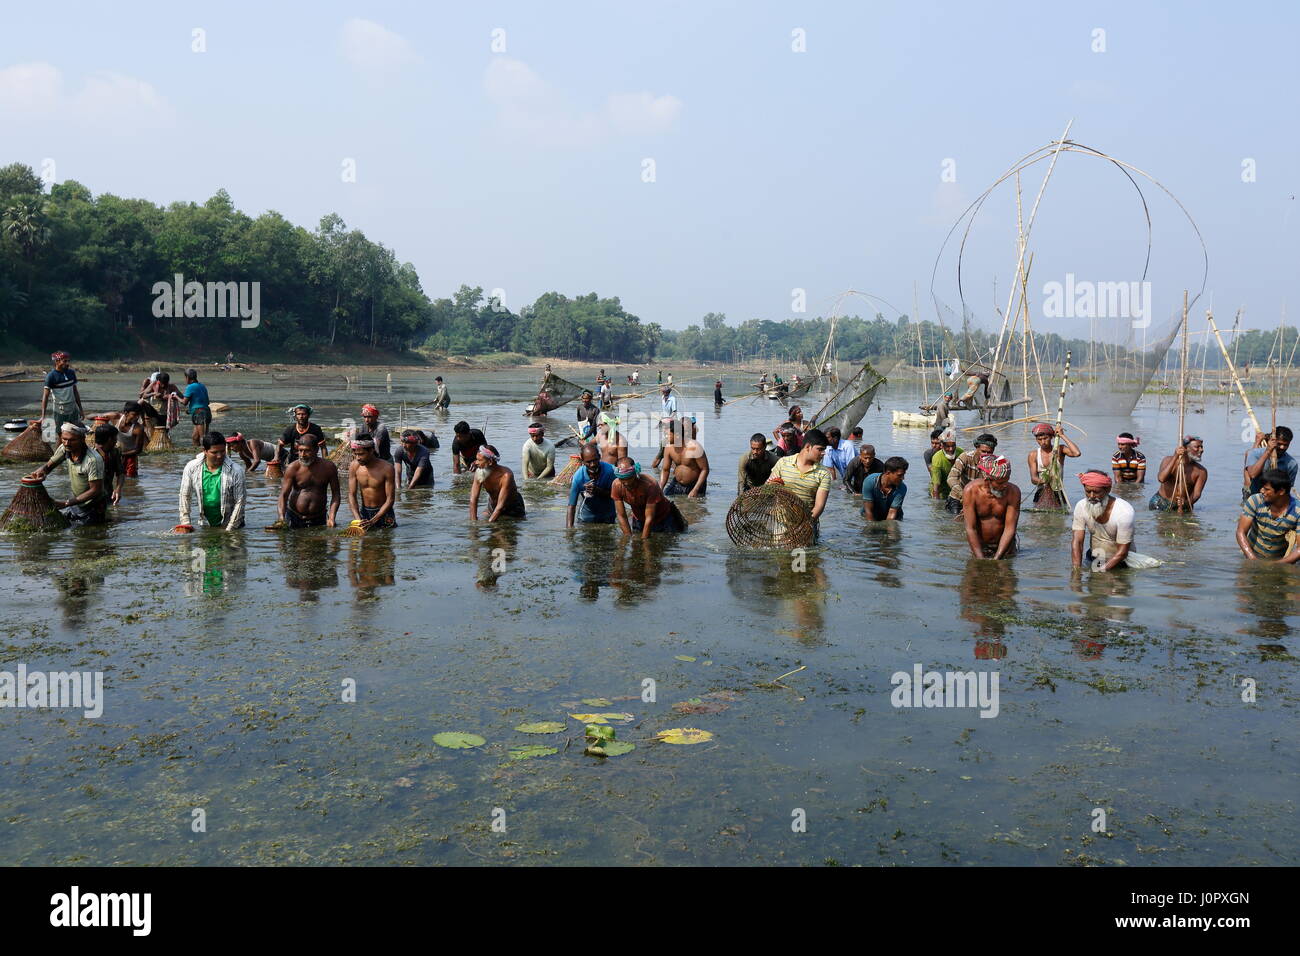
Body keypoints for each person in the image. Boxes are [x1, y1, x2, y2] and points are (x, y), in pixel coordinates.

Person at [1071, 471, 1160, 571]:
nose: (1091, 496)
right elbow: (1077, 541)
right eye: (1087, 491)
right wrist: (1076, 571)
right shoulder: (1081, 506)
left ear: (1108, 490)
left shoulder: (1124, 511)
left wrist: (1101, 571)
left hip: (1122, 562)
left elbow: (1122, 552)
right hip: (1094, 557)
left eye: (1096, 492)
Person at [25, 423, 107, 525]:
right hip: (76, 501)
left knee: (88, 537)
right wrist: (41, 472)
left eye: (72, 440)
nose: (67, 443)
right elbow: (49, 466)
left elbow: (95, 490)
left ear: (82, 439)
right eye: (64, 439)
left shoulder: (93, 460)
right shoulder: (65, 448)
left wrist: (65, 503)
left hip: (92, 507)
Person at [178, 430, 247, 530]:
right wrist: (185, 524)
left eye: (223, 451)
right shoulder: (192, 468)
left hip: (232, 524)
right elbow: (185, 495)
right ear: (205, 451)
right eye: (214, 452)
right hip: (206, 524)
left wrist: (230, 530)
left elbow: (240, 502)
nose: (219, 456)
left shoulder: (236, 471)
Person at [767, 428, 832, 532]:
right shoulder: (783, 463)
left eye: (824, 450)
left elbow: (819, 506)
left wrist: (804, 525)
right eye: (820, 449)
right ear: (807, 447)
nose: (823, 453)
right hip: (781, 523)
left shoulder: (823, 474)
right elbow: (768, 488)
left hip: (807, 524)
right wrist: (772, 485)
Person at [962, 454, 1020, 558]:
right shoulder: (970, 491)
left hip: (1006, 548)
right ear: (987, 480)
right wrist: (980, 559)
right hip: (980, 547)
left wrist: (997, 558)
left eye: (1007, 480)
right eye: (1000, 482)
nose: (1005, 485)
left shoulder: (1013, 492)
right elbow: (971, 529)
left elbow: (1010, 529)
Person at [1236, 468, 1300, 562]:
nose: (1262, 491)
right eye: (1262, 487)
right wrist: (1253, 559)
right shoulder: (1255, 501)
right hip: (1250, 554)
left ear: (1281, 491)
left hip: (1279, 559)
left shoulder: (1297, 511)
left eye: (1266, 489)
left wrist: (1276, 565)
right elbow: (1240, 532)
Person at [613, 457, 686, 537]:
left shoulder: (649, 485)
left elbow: (649, 518)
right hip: (639, 519)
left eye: (629, 478)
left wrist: (644, 541)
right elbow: (621, 515)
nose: (626, 483)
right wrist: (628, 538)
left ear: (636, 474)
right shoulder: (617, 485)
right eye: (622, 479)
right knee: (636, 544)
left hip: (663, 518)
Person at [278, 435, 340, 528]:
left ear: (316, 450)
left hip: (319, 518)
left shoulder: (329, 468)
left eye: (307, 451)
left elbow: (336, 495)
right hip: (294, 517)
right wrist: (282, 518)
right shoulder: (293, 468)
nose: (302, 455)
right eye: (300, 451)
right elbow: (283, 495)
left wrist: (331, 518)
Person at [347, 436, 397, 529]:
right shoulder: (354, 466)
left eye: (361, 454)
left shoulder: (387, 468)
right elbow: (351, 495)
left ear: (371, 451)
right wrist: (358, 519)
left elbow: (390, 499)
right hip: (364, 512)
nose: (358, 458)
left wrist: (373, 521)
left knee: (385, 540)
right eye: (355, 454)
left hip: (384, 513)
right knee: (365, 542)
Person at [1028, 422, 1080, 508]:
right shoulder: (1033, 455)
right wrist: (1045, 480)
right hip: (1041, 492)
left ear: (1052, 437)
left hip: (1058, 493)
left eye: (1045, 438)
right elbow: (1033, 479)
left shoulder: (1060, 449)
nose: (1043, 442)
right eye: (1039, 439)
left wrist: (1062, 436)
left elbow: (1077, 453)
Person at [566, 443, 618, 526]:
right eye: (588, 462)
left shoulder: (611, 471)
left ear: (600, 457)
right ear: (582, 461)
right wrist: (569, 531)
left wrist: (599, 491)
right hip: (586, 519)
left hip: (608, 518)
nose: (593, 464)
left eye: (595, 460)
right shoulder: (578, 477)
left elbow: (618, 496)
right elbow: (571, 505)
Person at [945, 433, 998, 515]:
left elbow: (997, 485)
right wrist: (963, 495)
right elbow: (951, 478)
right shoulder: (965, 457)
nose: (986, 455)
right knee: (956, 524)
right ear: (976, 448)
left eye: (989, 452)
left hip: (980, 500)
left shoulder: (995, 463)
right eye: (983, 451)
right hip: (958, 498)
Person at [1151, 436, 1208, 511]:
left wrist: (1186, 503)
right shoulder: (1167, 460)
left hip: (1182, 506)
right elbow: (1161, 479)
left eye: (1201, 447)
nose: (1201, 450)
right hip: (1160, 502)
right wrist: (1175, 456)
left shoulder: (1201, 471)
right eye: (1197, 447)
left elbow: (1196, 494)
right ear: (1185, 449)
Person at [469, 445, 525, 521]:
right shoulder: (479, 472)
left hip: (512, 509)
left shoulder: (506, 475)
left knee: (498, 531)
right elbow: (473, 500)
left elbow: (500, 506)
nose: (476, 463)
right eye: (476, 459)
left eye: (479, 460)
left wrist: (490, 523)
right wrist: (473, 523)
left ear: (490, 462)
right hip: (493, 506)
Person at [659, 419, 709, 497]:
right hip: (677, 483)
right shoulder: (668, 448)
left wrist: (695, 489)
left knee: (693, 506)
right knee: (664, 496)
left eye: (668, 435)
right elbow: (665, 470)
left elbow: (705, 469)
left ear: (677, 435)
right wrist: (660, 487)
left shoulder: (694, 447)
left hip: (695, 484)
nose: (665, 437)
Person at [1243, 426, 1297, 498]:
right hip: (1254, 496)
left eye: (1285, 445)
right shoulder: (1255, 453)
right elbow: (1252, 474)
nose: (1282, 447)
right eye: (1279, 444)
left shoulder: (1291, 463)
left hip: (1275, 500)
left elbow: (1287, 488)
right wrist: (1268, 452)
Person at [40, 351, 83, 432]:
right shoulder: (51, 376)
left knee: (75, 432)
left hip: (73, 408)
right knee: (61, 435)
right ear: (57, 361)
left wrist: (81, 410)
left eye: (68, 361)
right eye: (65, 361)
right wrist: (43, 416)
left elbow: (75, 392)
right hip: (59, 409)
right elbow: (45, 397)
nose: (67, 363)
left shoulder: (71, 373)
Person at [861, 457, 908, 521]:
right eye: (899, 475)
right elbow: (868, 510)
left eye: (903, 475)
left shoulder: (902, 488)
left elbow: (892, 512)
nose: (903, 478)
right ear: (888, 473)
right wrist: (871, 527)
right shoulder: (870, 481)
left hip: (893, 516)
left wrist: (889, 529)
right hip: (871, 514)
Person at [92, 424, 125, 506]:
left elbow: (120, 473)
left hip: (108, 495)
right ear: (110, 439)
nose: (116, 441)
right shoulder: (90, 455)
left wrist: (118, 489)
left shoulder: (115, 452)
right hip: (92, 498)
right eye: (115, 438)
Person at [115, 402, 146, 478]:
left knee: (130, 479)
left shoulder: (138, 429)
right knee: (116, 476)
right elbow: (95, 416)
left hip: (130, 457)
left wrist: (121, 454)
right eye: (134, 415)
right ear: (126, 413)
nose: (136, 418)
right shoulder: (116, 418)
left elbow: (138, 450)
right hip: (117, 454)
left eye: (138, 415)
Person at [181, 368, 212, 446]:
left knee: (203, 437)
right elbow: (207, 402)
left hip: (199, 413)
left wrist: (175, 397)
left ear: (187, 377)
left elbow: (184, 402)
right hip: (207, 411)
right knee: (195, 437)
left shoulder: (190, 387)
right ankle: (197, 453)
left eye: (185, 378)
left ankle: (206, 455)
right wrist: (191, 410)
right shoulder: (202, 386)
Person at [929, 429, 962, 499]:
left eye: (953, 446)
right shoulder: (937, 459)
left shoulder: (961, 453)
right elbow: (936, 487)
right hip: (941, 491)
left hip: (956, 488)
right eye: (947, 446)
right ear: (942, 446)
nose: (951, 449)